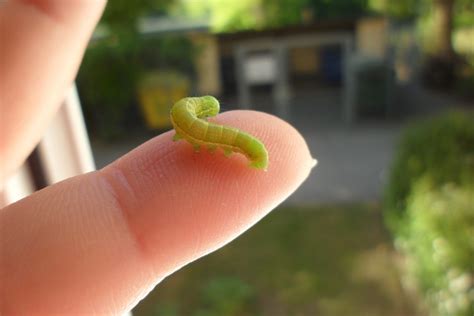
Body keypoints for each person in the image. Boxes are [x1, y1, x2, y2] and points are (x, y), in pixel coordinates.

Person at [0, 1, 314, 314]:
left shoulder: (188, 119)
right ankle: (255, 155)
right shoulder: (191, 121)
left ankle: (256, 155)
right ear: (199, 113)